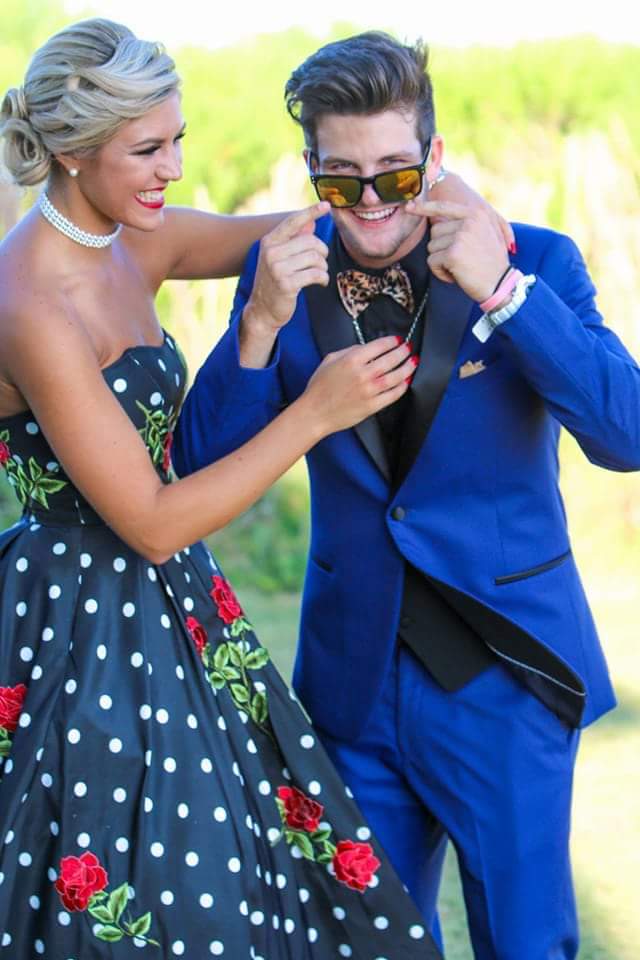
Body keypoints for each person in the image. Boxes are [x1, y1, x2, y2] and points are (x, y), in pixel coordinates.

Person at [174, 30, 640, 960]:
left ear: (433, 157)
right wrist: (259, 325)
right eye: (342, 180)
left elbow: (623, 435)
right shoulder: (286, 275)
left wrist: (504, 291)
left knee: (525, 942)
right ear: (312, 171)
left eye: (395, 171)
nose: (372, 201)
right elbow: (199, 471)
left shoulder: (535, 260)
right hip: (352, 681)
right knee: (361, 944)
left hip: (505, 674)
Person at [0, 18, 454, 958]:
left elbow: (326, 227)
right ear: (77, 155)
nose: (172, 168)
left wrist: (436, 204)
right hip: (80, 624)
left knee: (259, 873)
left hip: (182, 616)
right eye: (149, 149)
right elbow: (155, 522)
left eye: (178, 140)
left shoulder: (135, 241)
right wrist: (314, 413)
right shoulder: (28, 305)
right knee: (145, 903)